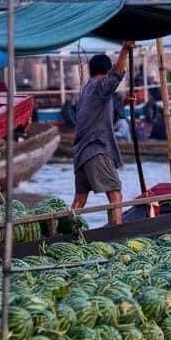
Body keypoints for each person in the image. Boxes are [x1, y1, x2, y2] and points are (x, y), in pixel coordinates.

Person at [71, 42, 133, 225]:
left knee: (80, 199)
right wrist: (125, 50)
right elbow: (116, 75)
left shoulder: (87, 91)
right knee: (115, 195)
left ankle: (62, 234)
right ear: (104, 71)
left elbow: (102, 120)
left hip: (81, 153)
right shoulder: (100, 86)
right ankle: (117, 235)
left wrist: (124, 105)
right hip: (96, 150)